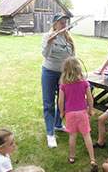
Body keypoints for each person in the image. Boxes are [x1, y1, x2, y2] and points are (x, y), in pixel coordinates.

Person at [41, 12, 75, 148]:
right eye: (62, 22)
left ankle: (57, 124)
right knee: (49, 103)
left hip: (64, 74)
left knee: (64, 102)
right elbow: (45, 54)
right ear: (55, 24)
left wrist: (75, 72)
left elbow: (73, 57)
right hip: (49, 72)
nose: (64, 24)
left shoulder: (69, 39)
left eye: (66, 22)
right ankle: (50, 134)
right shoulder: (47, 36)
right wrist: (49, 43)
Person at [59, 57, 98, 172]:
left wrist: (62, 112)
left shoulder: (63, 85)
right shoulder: (85, 83)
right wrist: (91, 110)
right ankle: (92, 159)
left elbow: (60, 101)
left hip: (70, 114)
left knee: (72, 136)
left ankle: (72, 156)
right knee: (87, 135)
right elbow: (90, 99)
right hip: (82, 113)